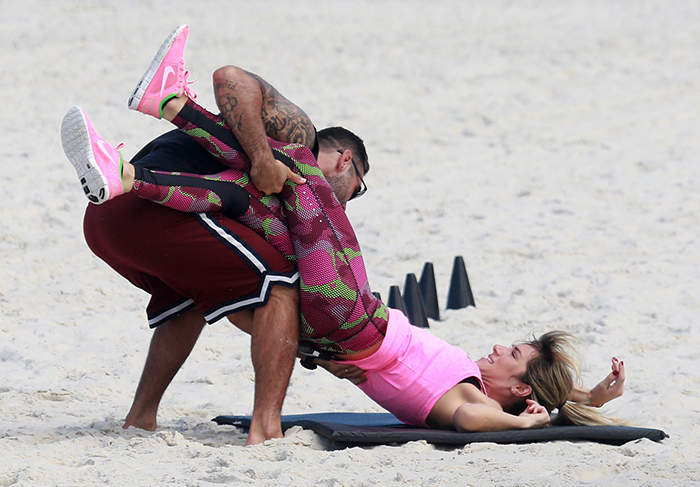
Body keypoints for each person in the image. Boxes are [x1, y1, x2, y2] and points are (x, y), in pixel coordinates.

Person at [62, 25, 626, 433]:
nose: (501, 345)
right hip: (336, 326)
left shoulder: (464, 398)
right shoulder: (482, 382)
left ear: (518, 388)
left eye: (515, 353)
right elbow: (547, 391)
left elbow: (477, 419)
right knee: (251, 205)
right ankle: (128, 174)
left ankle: (173, 104)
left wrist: (529, 427)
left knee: (296, 178)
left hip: (356, 316)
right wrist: (585, 396)